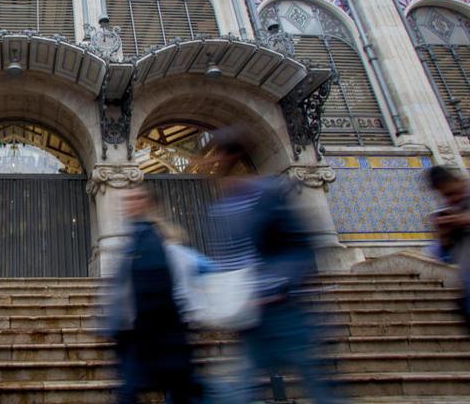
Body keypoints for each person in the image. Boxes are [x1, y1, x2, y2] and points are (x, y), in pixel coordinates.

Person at [204, 126, 339, 404]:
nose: (208, 161)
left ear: (232, 156)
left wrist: (275, 284)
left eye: (213, 153)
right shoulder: (221, 203)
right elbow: (228, 258)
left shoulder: (268, 192)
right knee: (239, 389)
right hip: (249, 315)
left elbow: (300, 247)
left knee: (316, 385)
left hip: (283, 309)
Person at [102, 185, 204, 404]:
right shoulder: (133, 239)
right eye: (126, 199)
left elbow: (156, 286)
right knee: (178, 390)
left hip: (150, 332)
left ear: (149, 203)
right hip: (140, 334)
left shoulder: (150, 238)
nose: (128, 203)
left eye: (136, 198)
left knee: (176, 390)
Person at [425, 165, 470, 328]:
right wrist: (444, 237)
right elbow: (447, 258)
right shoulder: (453, 214)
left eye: (452, 193)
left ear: (458, 181)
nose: (450, 200)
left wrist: (464, 220)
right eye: (445, 196)